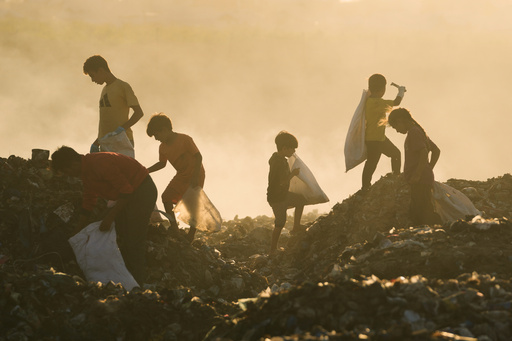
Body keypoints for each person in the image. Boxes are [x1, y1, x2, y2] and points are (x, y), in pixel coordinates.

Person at [51, 146, 157, 286]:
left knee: (134, 241)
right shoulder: (85, 172)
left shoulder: (100, 163)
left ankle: (137, 286)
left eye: (67, 171)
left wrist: (110, 218)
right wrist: (78, 230)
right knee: (115, 231)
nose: (69, 175)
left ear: (73, 163)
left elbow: (126, 190)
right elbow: (89, 200)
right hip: (127, 195)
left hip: (142, 190)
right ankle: (124, 275)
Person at [146, 113, 205, 242]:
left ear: (165, 129)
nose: (156, 138)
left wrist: (195, 177)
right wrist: (146, 170)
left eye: (156, 135)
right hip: (181, 175)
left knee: (193, 204)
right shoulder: (163, 147)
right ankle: (175, 229)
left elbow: (199, 157)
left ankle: (191, 235)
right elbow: (162, 164)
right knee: (166, 197)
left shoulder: (185, 139)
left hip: (196, 173)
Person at [388, 108, 441, 226]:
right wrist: (428, 168)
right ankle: (431, 231)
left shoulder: (414, 132)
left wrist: (418, 174)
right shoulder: (419, 132)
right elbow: (436, 150)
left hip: (420, 180)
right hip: (421, 178)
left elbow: (423, 152)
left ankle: (437, 229)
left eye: (395, 127)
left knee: (422, 211)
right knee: (419, 209)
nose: (397, 131)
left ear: (400, 120)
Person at [83, 55, 144, 154]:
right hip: (106, 143)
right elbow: (106, 123)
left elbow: (139, 113)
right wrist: (97, 142)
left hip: (122, 142)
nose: (92, 80)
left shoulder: (123, 86)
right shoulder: (104, 90)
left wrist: (121, 130)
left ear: (101, 70)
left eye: (92, 75)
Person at [361, 74, 406, 190]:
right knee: (373, 163)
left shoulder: (369, 101)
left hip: (377, 138)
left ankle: (366, 186)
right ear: (382, 90)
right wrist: (401, 92)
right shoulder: (377, 103)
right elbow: (396, 102)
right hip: (376, 140)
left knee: (373, 163)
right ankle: (394, 178)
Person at [267, 131, 306, 255]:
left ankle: (296, 227)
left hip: (282, 195)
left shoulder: (276, 158)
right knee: (280, 222)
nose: (293, 152)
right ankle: (273, 250)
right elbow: (282, 181)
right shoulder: (279, 162)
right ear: (284, 148)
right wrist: (293, 174)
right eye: (292, 149)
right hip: (277, 198)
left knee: (300, 200)